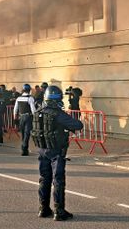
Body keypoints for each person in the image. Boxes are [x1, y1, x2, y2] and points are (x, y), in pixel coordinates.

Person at [32, 85, 83, 221]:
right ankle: (59, 211)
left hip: (42, 150)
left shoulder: (38, 111)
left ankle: (43, 209)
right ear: (57, 98)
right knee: (58, 180)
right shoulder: (58, 114)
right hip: (56, 151)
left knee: (44, 178)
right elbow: (78, 125)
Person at [14, 84, 36, 156]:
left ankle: (24, 147)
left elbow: (15, 109)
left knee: (23, 133)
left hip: (21, 117)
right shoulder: (30, 98)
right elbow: (33, 110)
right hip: (28, 117)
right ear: (29, 90)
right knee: (27, 133)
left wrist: (15, 118)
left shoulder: (18, 98)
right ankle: (24, 149)